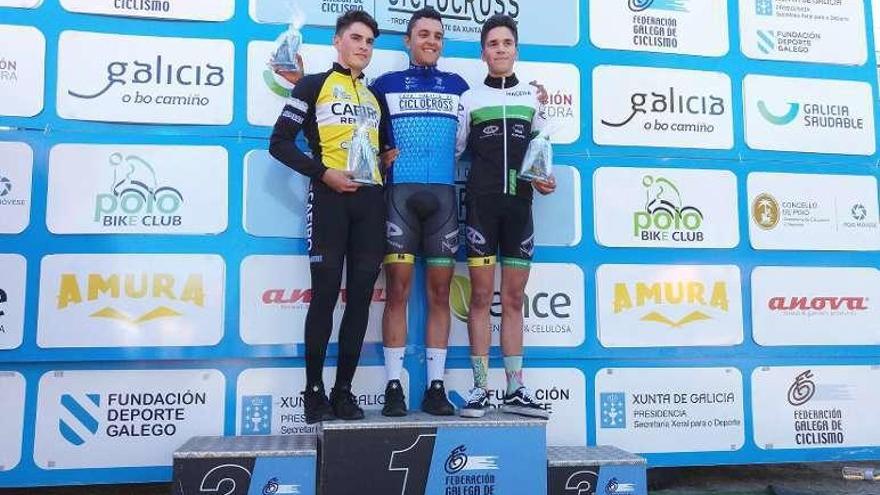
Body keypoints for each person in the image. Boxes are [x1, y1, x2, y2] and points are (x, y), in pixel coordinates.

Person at [269, 10, 395, 424]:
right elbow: (279, 143)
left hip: (370, 205)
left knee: (360, 299)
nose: (363, 46)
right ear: (338, 42)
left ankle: (344, 391)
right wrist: (324, 173)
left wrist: (387, 160)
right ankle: (313, 392)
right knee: (324, 296)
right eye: (356, 38)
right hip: (329, 199)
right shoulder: (313, 85)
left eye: (370, 42)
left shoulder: (376, 98)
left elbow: (386, 153)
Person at [455, 14, 556, 419]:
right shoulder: (469, 99)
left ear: (515, 49)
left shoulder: (534, 100)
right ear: (483, 53)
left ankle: (515, 388)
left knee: (512, 299)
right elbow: (458, 147)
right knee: (480, 298)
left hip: (519, 209)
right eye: (493, 43)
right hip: (481, 207)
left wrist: (546, 180)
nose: (499, 49)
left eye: (506, 43)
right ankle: (481, 388)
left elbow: (542, 157)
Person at [368, 7, 469, 417]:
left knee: (440, 294)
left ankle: (436, 387)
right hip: (399, 199)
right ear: (407, 40)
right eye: (423, 34)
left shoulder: (460, 87)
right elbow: (367, 139)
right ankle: (394, 385)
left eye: (438, 36)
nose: (431, 41)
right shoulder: (383, 84)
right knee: (398, 292)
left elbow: (463, 143)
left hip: (443, 199)